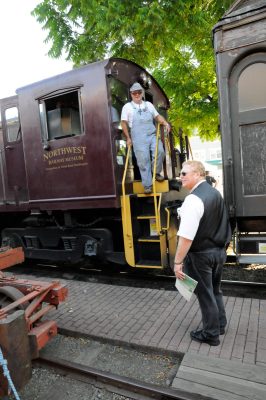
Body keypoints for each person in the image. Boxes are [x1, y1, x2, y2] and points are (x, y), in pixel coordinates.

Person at [174, 160, 231, 346]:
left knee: (206, 294)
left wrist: (177, 262)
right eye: (181, 173)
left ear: (198, 174)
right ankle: (220, 324)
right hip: (219, 252)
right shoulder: (215, 193)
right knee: (215, 290)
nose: (180, 176)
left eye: (184, 173)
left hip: (201, 255)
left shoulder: (193, 199)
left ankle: (211, 334)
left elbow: (186, 237)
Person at [121, 82, 170, 194]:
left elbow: (157, 117)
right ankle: (147, 185)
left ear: (142, 93)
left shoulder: (149, 105)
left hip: (151, 134)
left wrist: (165, 123)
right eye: (134, 93)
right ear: (131, 94)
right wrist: (128, 138)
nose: (137, 95)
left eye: (139, 92)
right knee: (143, 161)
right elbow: (123, 123)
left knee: (160, 152)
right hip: (138, 138)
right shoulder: (127, 107)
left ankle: (156, 172)